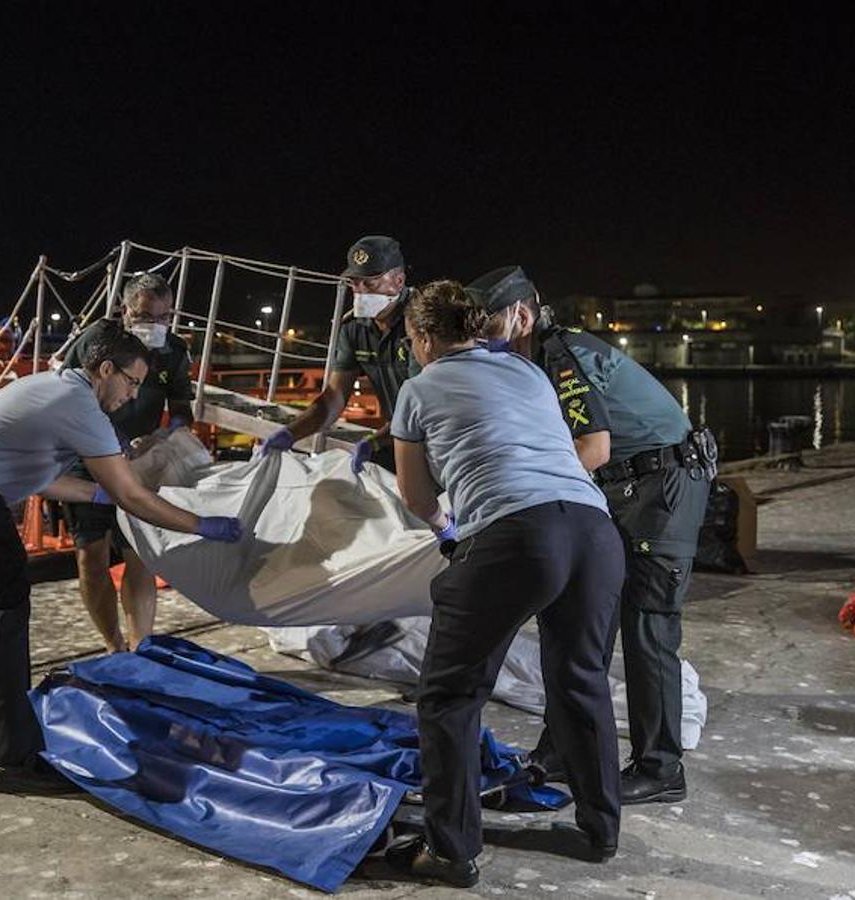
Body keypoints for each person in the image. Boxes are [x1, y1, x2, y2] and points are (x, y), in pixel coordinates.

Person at [0, 329, 242, 795]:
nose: (133, 395)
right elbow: (132, 495)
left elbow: (50, 482)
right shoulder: (79, 405)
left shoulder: (52, 388)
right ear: (105, 370)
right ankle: (13, 762)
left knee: (4, 612)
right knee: (5, 614)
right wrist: (202, 525)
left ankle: (12, 743)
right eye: (132, 382)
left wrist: (101, 493)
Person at [385, 281, 624, 887]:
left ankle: (451, 851)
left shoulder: (418, 388)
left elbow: (416, 497)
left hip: (517, 536)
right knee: (580, 680)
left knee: (449, 696)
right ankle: (601, 830)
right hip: (595, 532)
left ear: (422, 338)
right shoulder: (527, 371)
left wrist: (449, 530)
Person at [471, 264, 716, 806]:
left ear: (520, 315)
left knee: (647, 627)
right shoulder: (529, 358)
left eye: (488, 324)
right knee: (579, 619)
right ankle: (561, 748)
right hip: (623, 490)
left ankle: (659, 767)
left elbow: (593, 448)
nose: (481, 337)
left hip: (663, 489)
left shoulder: (564, 357)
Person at [61, 273, 193, 653]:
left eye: (164, 317)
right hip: (88, 461)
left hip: (140, 462)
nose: (156, 325)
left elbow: (182, 406)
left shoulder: (173, 350)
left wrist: (167, 434)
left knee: (141, 555)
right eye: (146, 316)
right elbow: (68, 392)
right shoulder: (95, 340)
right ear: (125, 312)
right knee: (91, 556)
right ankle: (113, 646)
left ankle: (141, 648)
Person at [261, 235, 419, 472]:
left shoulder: (423, 322)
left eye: (370, 283)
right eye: (354, 282)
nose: (360, 291)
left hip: (438, 435)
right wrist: (290, 433)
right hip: (398, 434)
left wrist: (376, 442)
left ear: (398, 281)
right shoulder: (354, 328)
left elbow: (423, 405)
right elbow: (335, 396)